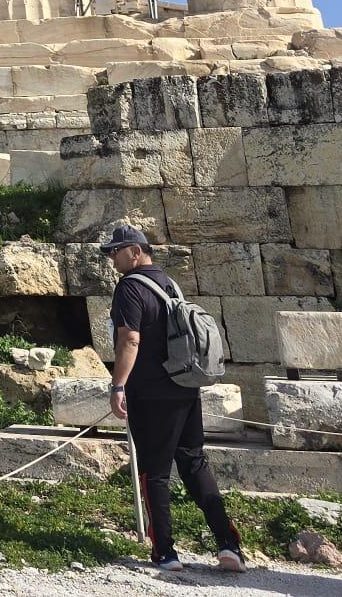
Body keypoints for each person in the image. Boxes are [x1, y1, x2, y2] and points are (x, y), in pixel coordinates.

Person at [102, 222, 246, 574]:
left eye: (116, 252)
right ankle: (229, 545)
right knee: (194, 463)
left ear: (135, 252)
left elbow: (130, 339)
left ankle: (165, 552)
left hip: (150, 393)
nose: (112, 259)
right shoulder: (169, 284)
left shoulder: (129, 287)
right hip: (184, 386)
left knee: (154, 472)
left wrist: (118, 385)